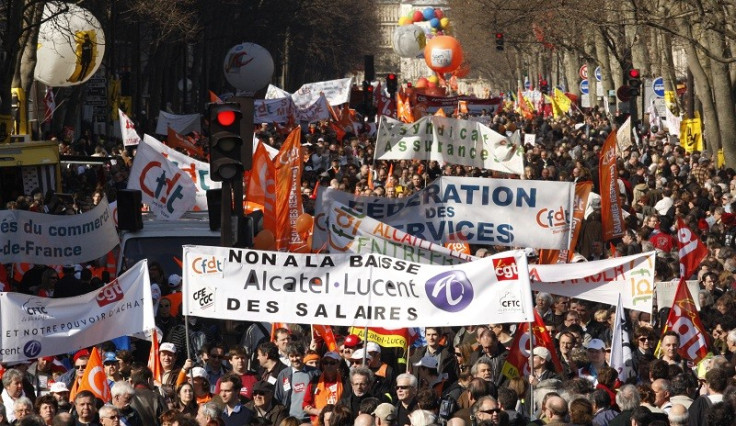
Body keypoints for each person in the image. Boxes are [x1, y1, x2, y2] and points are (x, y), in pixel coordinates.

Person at [274, 343, 320, 422]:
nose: (295, 359)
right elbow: (278, 398)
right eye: (292, 356)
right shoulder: (284, 374)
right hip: (290, 420)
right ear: (288, 357)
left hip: (311, 420)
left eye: (297, 355)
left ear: (303, 355)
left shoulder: (315, 373)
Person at [302, 352, 344, 423]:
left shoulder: (345, 382)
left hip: (338, 421)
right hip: (318, 422)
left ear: (338, 364)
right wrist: (318, 411)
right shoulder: (315, 381)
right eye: (325, 363)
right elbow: (305, 404)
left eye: (332, 363)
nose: (328, 365)